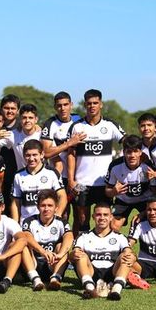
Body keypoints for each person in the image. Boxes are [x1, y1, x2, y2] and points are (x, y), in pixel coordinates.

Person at [67, 89, 126, 235]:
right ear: (85, 105)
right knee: (81, 219)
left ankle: (102, 253)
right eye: (89, 103)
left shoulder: (110, 125)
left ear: (101, 104)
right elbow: (71, 154)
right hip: (82, 182)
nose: (92, 106)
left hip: (104, 183)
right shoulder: (77, 127)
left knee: (104, 220)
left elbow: (128, 144)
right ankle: (82, 253)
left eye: (95, 103)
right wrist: (71, 180)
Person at [69, 203, 136, 300]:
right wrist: (73, 255)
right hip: (91, 273)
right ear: (93, 217)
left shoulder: (120, 237)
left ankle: (116, 291)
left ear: (111, 217)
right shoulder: (84, 237)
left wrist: (132, 256)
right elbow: (72, 256)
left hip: (112, 272)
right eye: (98, 215)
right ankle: (90, 289)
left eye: (105, 215)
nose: (102, 218)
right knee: (80, 255)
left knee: (126, 255)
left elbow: (129, 252)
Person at [40, 91, 85, 221]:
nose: (63, 108)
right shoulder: (50, 124)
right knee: (62, 213)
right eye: (59, 105)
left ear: (71, 105)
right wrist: (69, 143)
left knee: (80, 214)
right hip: (59, 177)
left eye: (66, 104)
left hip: (79, 175)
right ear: (55, 107)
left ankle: (76, 241)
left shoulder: (79, 120)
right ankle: (61, 240)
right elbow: (46, 152)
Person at [20, 189, 74, 291]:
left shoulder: (61, 222)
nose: (46, 209)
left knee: (61, 247)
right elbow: (27, 236)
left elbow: (69, 236)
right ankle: (35, 280)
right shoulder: (29, 221)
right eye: (43, 205)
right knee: (24, 246)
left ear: (56, 208)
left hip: (52, 264)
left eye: (50, 205)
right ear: (38, 207)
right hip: (33, 263)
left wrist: (60, 254)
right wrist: (43, 251)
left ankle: (55, 278)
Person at [105, 135, 156, 231]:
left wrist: (152, 179)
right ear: (124, 152)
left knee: (153, 222)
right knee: (113, 226)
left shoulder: (148, 166)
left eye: (135, 151)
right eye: (129, 152)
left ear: (140, 152)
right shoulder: (115, 166)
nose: (132, 155)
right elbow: (107, 191)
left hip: (144, 200)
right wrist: (114, 191)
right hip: (123, 200)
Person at [11, 139, 66, 223]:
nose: (31, 158)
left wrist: (57, 215)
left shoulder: (51, 173)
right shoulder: (18, 175)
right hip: (26, 224)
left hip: (47, 223)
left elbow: (62, 196)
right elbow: (15, 203)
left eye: (34, 155)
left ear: (42, 154)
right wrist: (15, 224)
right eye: (28, 155)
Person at [0, 103, 42, 172]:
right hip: (21, 177)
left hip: (42, 177)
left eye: (30, 118)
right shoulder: (12, 134)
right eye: (24, 117)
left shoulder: (43, 134)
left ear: (36, 119)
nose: (27, 121)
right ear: (20, 119)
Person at [0, 94, 21, 213]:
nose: (10, 111)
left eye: (13, 109)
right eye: (7, 108)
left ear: (17, 111)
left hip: (16, 174)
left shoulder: (22, 126)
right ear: (1, 109)